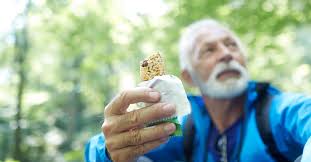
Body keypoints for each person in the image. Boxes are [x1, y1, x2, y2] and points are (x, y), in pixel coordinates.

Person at [84, 19, 311, 162]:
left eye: (231, 45)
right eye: (208, 50)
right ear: (189, 77)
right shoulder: (182, 123)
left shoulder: (276, 111)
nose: (226, 54)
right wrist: (109, 152)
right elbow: (102, 148)